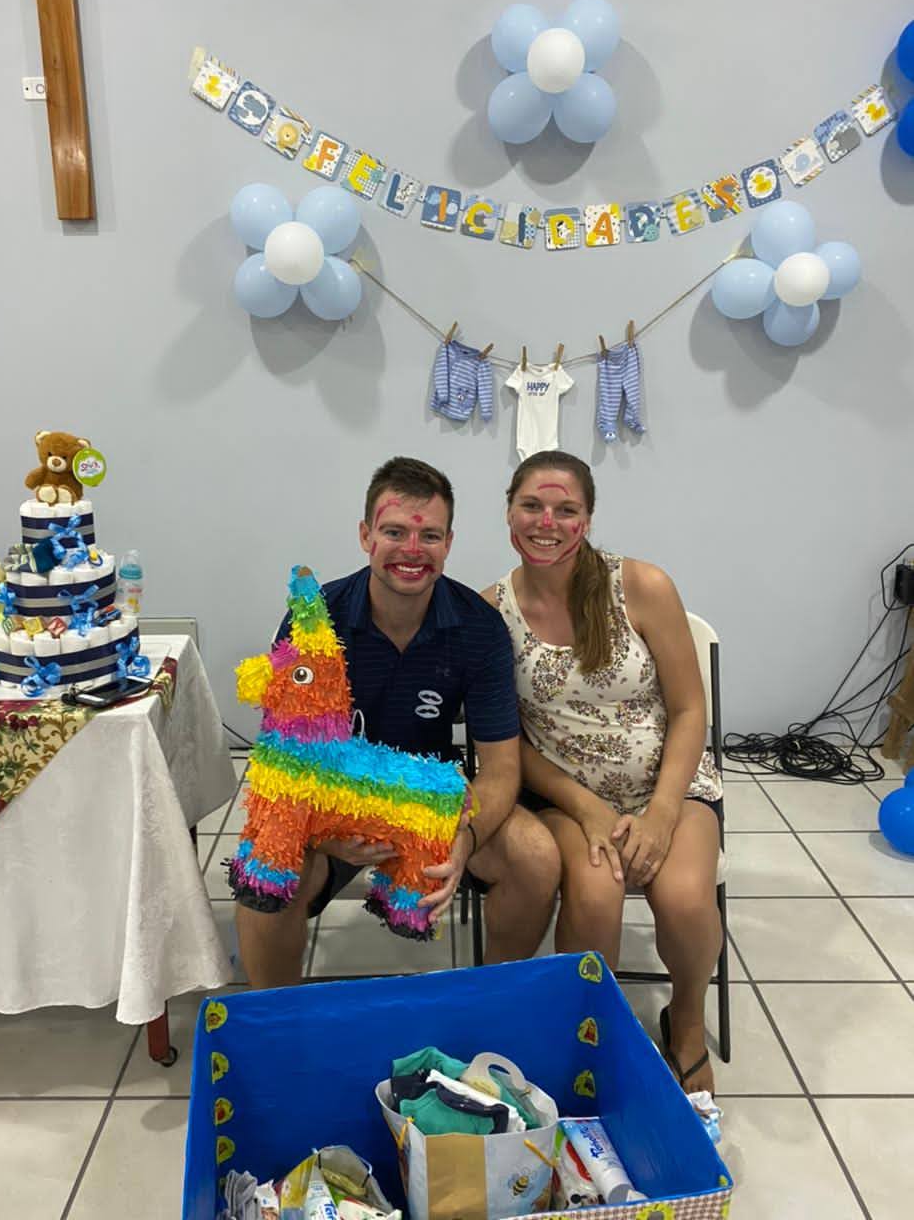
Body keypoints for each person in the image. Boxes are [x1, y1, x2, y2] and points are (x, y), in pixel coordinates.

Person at [235, 456, 560, 988]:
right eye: (394, 532)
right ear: (366, 536)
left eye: (429, 535)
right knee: (265, 872)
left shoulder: (479, 628)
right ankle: (279, 1020)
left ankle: (493, 1003)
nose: (412, 550)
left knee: (537, 857)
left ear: (448, 543)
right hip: (328, 807)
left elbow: (502, 768)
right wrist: (327, 833)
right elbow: (282, 759)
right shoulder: (315, 619)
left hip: (429, 806)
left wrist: (465, 836)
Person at [482, 450, 723, 1094]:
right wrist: (588, 809)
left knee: (685, 898)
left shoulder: (641, 586)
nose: (547, 522)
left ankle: (687, 1022)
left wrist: (662, 814)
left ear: (587, 519)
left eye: (566, 509)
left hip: (669, 786)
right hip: (566, 797)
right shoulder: (490, 612)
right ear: (508, 511)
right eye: (532, 505)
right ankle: (589, 1033)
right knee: (595, 894)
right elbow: (506, 743)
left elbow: (689, 708)